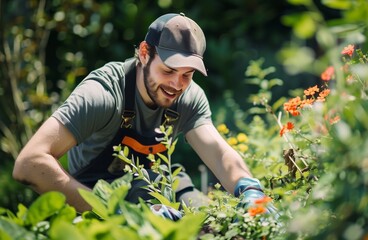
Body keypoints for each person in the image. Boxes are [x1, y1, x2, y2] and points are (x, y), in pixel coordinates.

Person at [13, 13, 273, 216]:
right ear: (145, 53)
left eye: (187, 75)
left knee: (212, 222)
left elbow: (218, 153)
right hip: (101, 196)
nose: (177, 85)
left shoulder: (189, 95)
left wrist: (250, 190)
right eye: (169, 71)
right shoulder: (102, 95)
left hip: (165, 186)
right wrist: (117, 213)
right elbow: (29, 163)